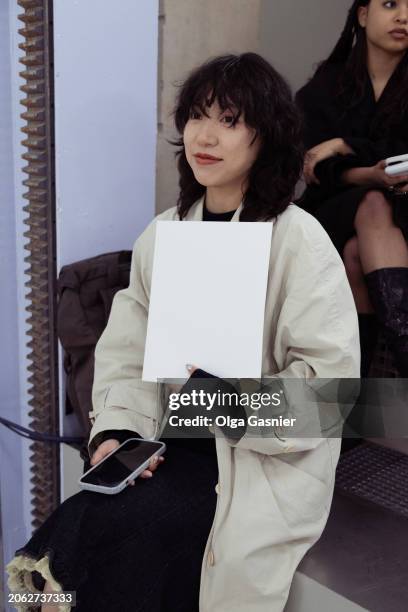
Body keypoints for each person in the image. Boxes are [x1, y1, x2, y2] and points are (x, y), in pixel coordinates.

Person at [7, 53, 359, 612]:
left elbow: (329, 394)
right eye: (197, 115)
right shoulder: (164, 233)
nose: (206, 135)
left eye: (230, 119)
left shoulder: (300, 241)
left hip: (256, 462)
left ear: (266, 137)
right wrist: (116, 433)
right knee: (84, 524)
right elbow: (126, 356)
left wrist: (225, 402)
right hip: (167, 446)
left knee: (115, 536)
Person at [295, 0, 408, 378]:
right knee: (372, 203)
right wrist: (370, 175)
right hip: (334, 208)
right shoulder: (324, 87)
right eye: (390, 4)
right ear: (362, 15)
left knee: (357, 256)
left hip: (402, 210)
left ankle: (357, 393)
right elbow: (315, 168)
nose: (403, 17)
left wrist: (345, 144)